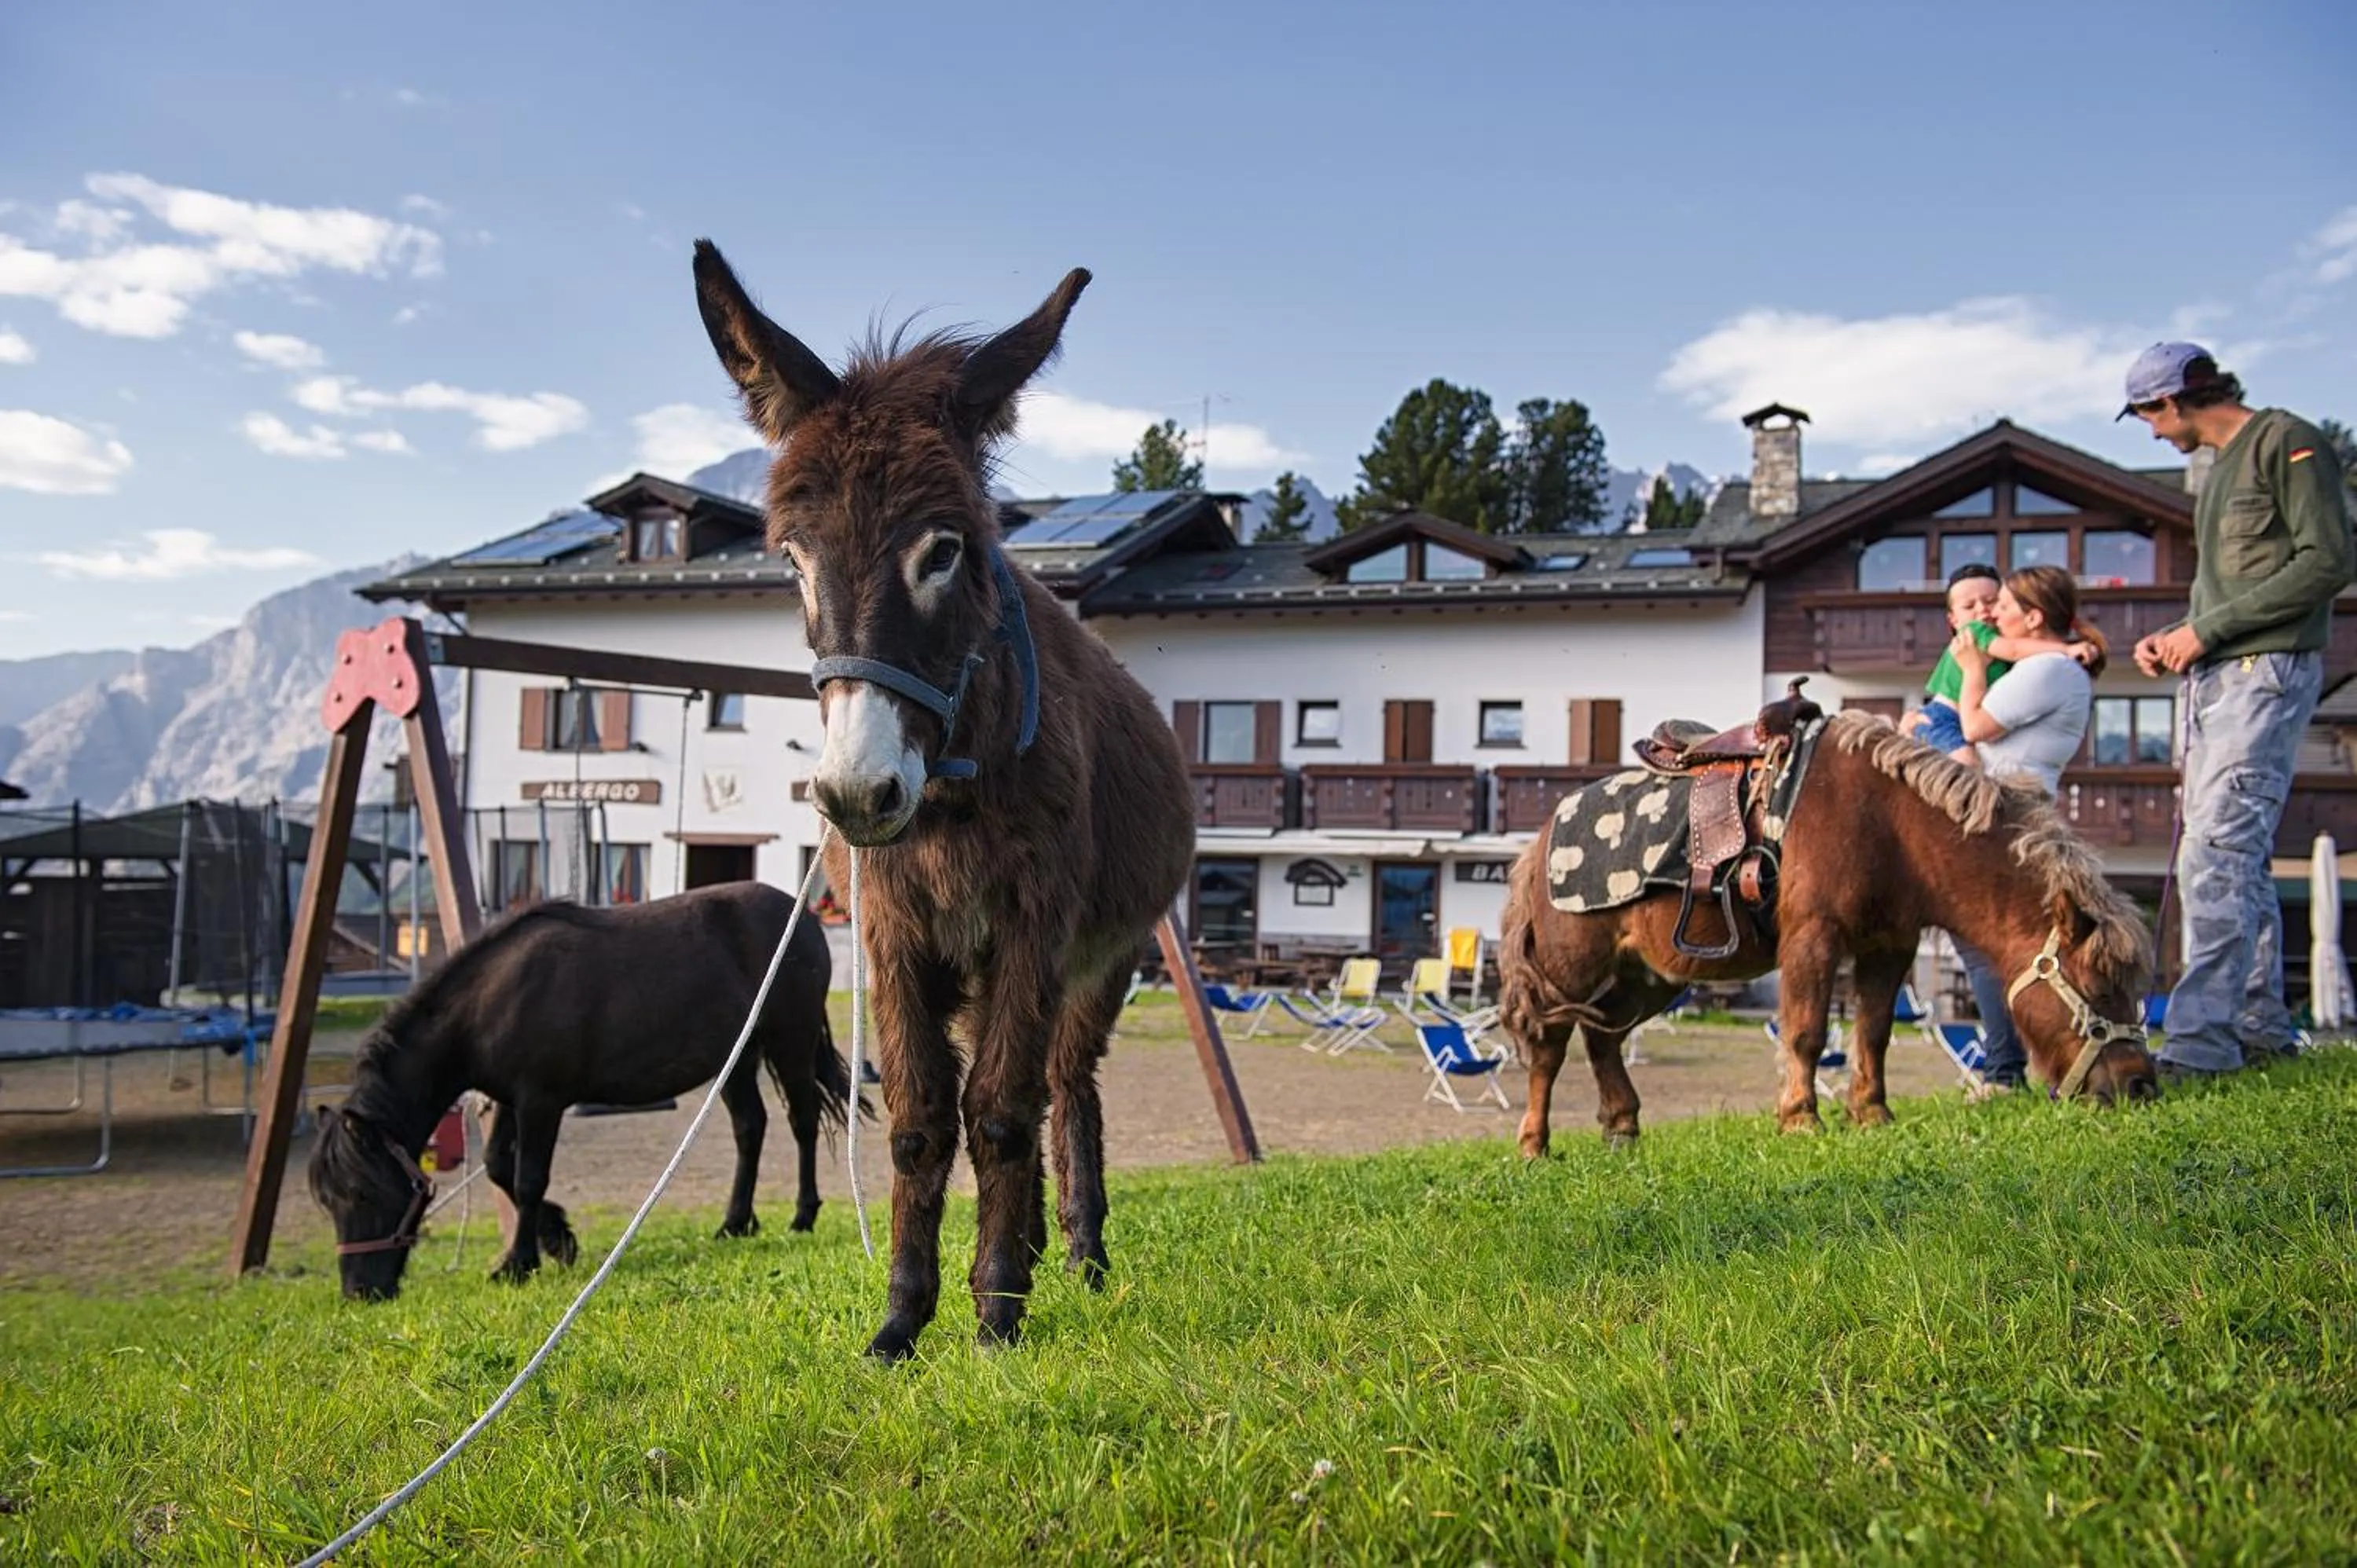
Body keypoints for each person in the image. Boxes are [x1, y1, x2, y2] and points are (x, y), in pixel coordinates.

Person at [2120, 343, 2356, 1079]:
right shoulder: (2222, 470)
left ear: (2170, 401)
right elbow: (2227, 594)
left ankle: (2199, 1048)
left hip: (2267, 673)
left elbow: (2328, 561)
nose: (2154, 434)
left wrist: (2207, 632)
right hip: (2222, 678)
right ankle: (2255, 1028)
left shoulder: (2286, 441)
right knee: (2231, 856)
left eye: (2148, 418)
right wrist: (2177, 636)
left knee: (2215, 851)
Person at [1945, 564, 2105, 1091]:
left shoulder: (2049, 671)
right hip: (2014, 814)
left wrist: (1969, 667)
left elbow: (1974, 726)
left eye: (2005, 606)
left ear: (2034, 618)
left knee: (1987, 947)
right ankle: (2035, 1068)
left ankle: (2009, 1072)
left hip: (2009, 819)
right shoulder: (2053, 668)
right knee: (2013, 948)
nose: (1995, 615)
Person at [1906, 562, 2099, 763]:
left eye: (1994, 601)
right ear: (1953, 620)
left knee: (1967, 769)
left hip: (1960, 724)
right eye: (1969, 606)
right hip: (1944, 717)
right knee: (1966, 766)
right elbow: (2014, 650)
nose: (1985, 611)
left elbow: (2021, 649)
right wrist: (2066, 649)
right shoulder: (1976, 633)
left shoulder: (2047, 668)